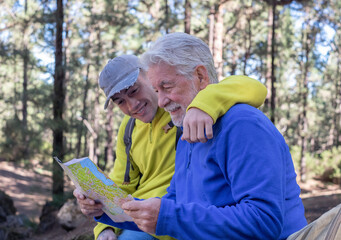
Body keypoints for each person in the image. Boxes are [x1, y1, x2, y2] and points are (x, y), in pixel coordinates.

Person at [93, 33, 308, 239]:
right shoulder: (188, 133)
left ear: (201, 76)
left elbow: (264, 221)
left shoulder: (242, 125)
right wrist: (104, 210)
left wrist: (168, 217)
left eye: (167, 87)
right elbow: (173, 204)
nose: (161, 102)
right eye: (157, 91)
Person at [74, 54, 268, 240]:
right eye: (120, 101)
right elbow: (123, 183)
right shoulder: (129, 127)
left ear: (148, 75)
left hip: (178, 215)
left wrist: (204, 105)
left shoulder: (179, 107)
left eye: (134, 90)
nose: (132, 105)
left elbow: (256, 88)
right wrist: (104, 225)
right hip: (140, 216)